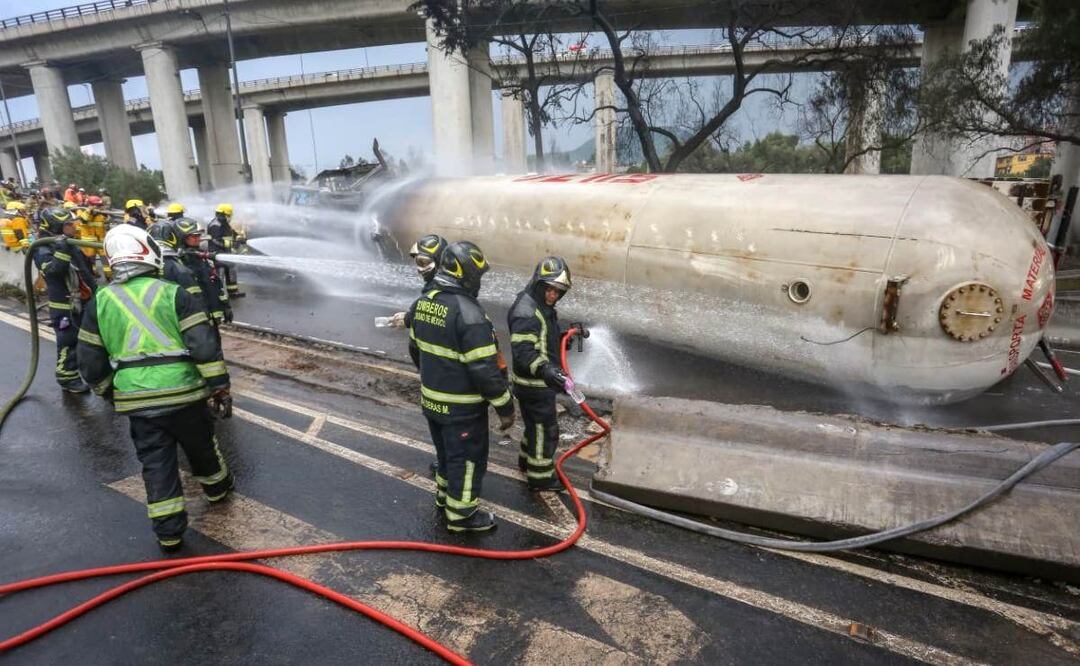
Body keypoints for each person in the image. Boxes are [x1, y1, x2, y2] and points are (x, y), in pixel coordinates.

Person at [77, 225, 233, 553]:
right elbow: (203, 346)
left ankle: (169, 534)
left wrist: (110, 391)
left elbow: (90, 362)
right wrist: (219, 387)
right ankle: (218, 491)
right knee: (201, 445)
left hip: (138, 402)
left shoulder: (100, 303)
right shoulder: (174, 293)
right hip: (185, 393)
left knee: (156, 463)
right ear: (149, 253)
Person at [408, 241, 514, 533]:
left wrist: (433, 377)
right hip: (462, 409)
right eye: (477, 275)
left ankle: (445, 499)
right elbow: (485, 370)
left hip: (432, 402)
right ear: (465, 274)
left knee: (445, 456)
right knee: (467, 460)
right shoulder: (469, 314)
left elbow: (415, 349)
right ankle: (462, 517)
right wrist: (505, 406)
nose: (479, 281)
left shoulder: (423, 302)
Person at [507, 257, 576, 491]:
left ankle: (526, 462)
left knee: (533, 426)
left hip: (535, 383)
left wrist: (565, 337)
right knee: (546, 430)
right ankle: (541, 477)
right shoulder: (527, 312)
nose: (553, 295)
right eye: (550, 289)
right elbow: (524, 353)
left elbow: (544, 339)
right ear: (538, 283)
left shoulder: (539, 306)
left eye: (558, 291)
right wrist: (547, 370)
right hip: (533, 385)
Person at [32, 207, 98, 392]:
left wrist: (96, 291)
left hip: (83, 300)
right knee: (69, 341)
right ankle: (67, 378)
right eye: (69, 224)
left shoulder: (70, 243)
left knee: (93, 338)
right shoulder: (41, 247)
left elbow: (84, 272)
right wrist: (61, 249)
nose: (74, 227)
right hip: (64, 306)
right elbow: (53, 271)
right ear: (57, 228)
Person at [175, 217, 232, 326]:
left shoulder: (202, 257)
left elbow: (215, 283)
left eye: (198, 236)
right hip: (197, 319)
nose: (198, 239)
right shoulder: (180, 263)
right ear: (182, 238)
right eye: (194, 236)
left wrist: (225, 306)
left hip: (211, 317)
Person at [148, 220, 205, 311]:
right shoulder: (178, 268)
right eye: (195, 236)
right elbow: (194, 298)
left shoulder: (143, 268)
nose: (198, 239)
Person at [207, 203, 243, 298]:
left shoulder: (224, 223)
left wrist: (238, 238)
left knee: (231, 271)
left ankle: (233, 292)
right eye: (228, 215)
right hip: (217, 254)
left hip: (226, 253)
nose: (229, 217)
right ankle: (218, 295)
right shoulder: (215, 225)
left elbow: (230, 233)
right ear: (222, 214)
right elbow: (216, 240)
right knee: (220, 275)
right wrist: (231, 244)